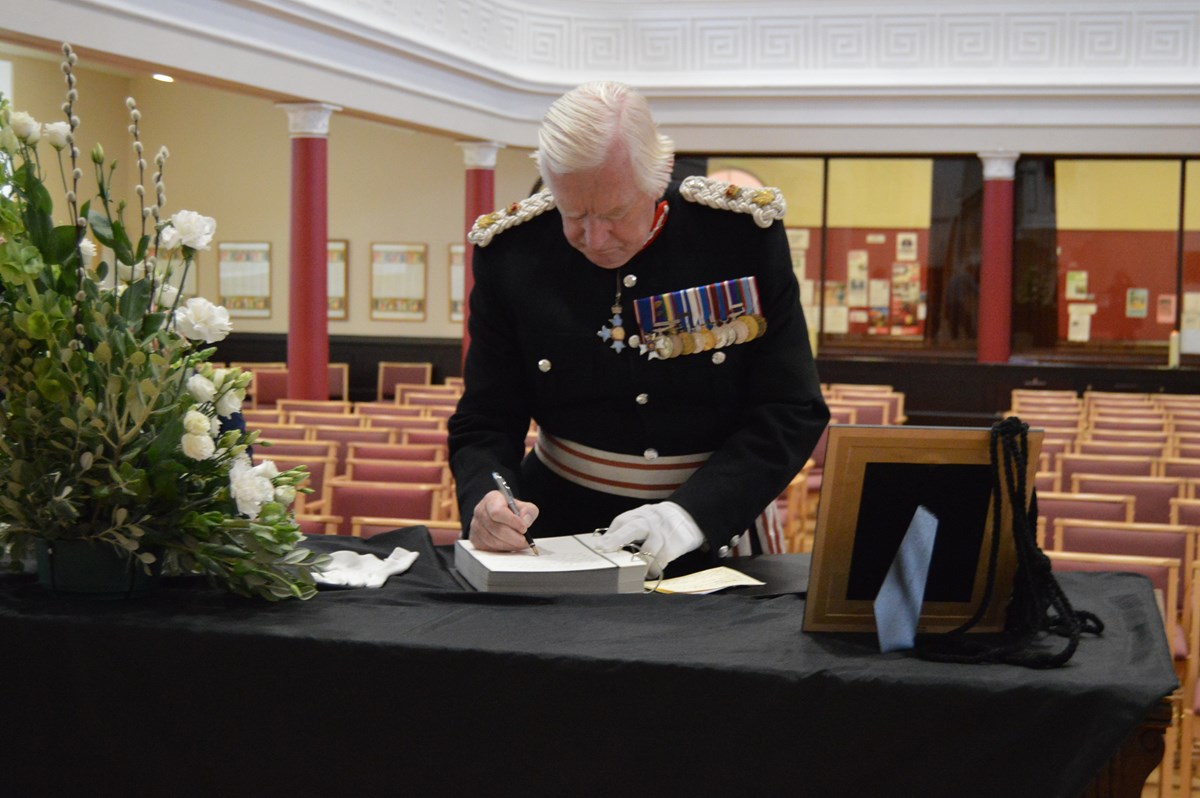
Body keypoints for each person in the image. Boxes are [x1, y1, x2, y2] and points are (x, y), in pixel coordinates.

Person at [448, 81, 829, 577]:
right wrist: (489, 499)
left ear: (658, 177)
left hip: (716, 526)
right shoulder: (512, 251)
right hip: (559, 532)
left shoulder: (736, 238)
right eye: (573, 215)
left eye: (614, 214)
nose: (594, 238)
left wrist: (691, 515)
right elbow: (485, 418)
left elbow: (791, 407)